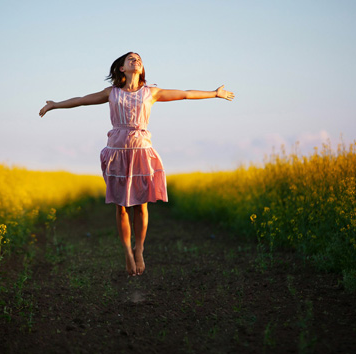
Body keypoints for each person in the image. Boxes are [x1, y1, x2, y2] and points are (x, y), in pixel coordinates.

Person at [39, 52, 234, 276]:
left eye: (139, 59)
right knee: (121, 208)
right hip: (117, 152)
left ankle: (139, 249)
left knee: (141, 205)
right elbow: (82, 100)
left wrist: (215, 94)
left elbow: (186, 94)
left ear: (141, 69)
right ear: (121, 68)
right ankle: (127, 253)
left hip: (141, 151)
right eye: (131, 59)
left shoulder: (151, 93)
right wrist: (54, 105)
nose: (136, 61)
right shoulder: (111, 93)